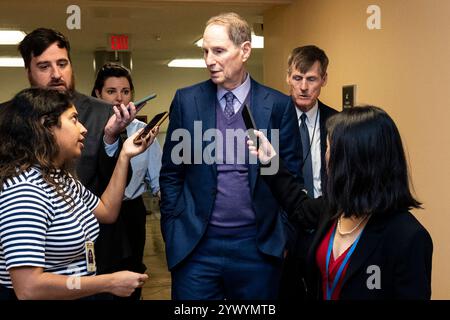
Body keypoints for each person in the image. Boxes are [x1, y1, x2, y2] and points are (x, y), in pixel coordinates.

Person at [159, 12, 301, 300]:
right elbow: (172, 174)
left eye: (219, 51)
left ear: (245, 50)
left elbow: (292, 177)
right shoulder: (186, 101)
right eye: (205, 51)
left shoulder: (277, 106)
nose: (209, 60)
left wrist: (282, 237)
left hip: (257, 249)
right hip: (197, 248)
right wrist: (173, 226)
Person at [248, 106, 433, 299]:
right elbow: (299, 208)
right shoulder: (335, 208)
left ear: (353, 162)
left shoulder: (408, 237)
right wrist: (270, 162)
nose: (326, 156)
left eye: (329, 148)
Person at [0, 88, 158, 300]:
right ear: (46, 127)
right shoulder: (24, 191)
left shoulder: (60, 178)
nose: (83, 129)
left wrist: (125, 155)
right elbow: (29, 287)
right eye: (74, 120)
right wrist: (108, 282)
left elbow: (107, 212)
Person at [1, 27, 136, 197]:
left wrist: (111, 141)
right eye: (44, 66)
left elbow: (122, 181)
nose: (56, 74)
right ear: (28, 72)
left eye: (62, 64)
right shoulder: (5, 117)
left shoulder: (102, 113)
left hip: (91, 219)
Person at [91, 62, 162, 300]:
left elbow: (158, 178)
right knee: (98, 277)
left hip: (131, 211)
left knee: (132, 276)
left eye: (125, 91)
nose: (119, 98)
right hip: (95, 213)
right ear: (97, 94)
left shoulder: (143, 130)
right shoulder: (85, 129)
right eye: (111, 91)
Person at [281, 45, 338, 300]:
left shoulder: (337, 123)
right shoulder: (270, 120)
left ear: (323, 79)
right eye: (297, 78)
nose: (303, 87)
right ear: (288, 77)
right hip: (284, 228)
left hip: (324, 224)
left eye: (312, 79)